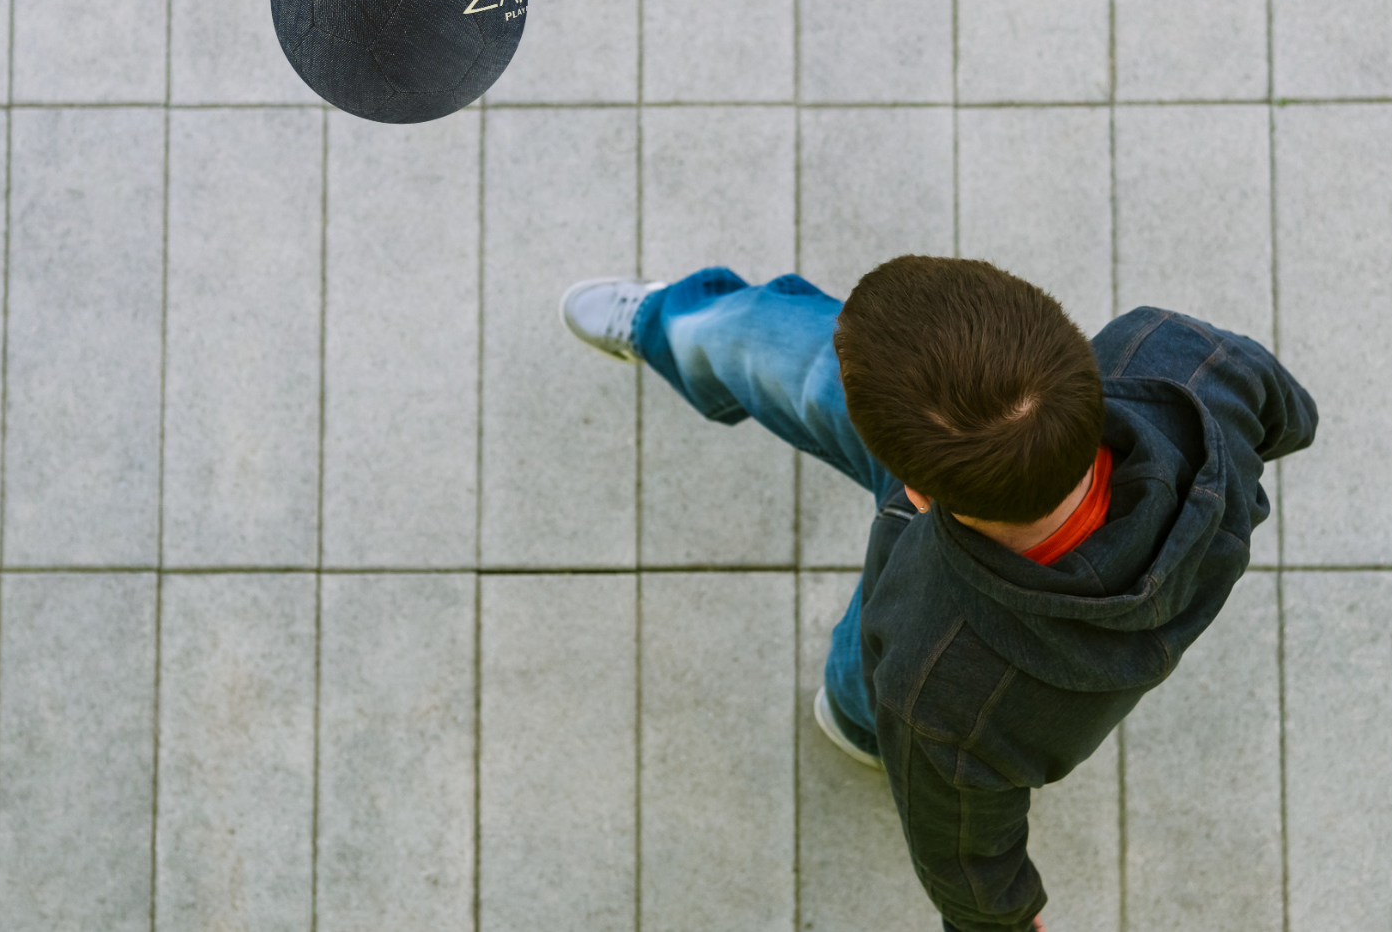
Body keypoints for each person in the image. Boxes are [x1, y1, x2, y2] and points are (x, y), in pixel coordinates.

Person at [561, 256, 1318, 932]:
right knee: (808, 363)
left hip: (945, 610)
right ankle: (681, 326)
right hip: (1005, 517)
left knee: (797, 370)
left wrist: (1003, 923)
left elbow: (958, 843)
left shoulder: (938, 687)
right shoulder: (1175, 353)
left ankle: (684, 328)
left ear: (915, 494)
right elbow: (1287, 412)